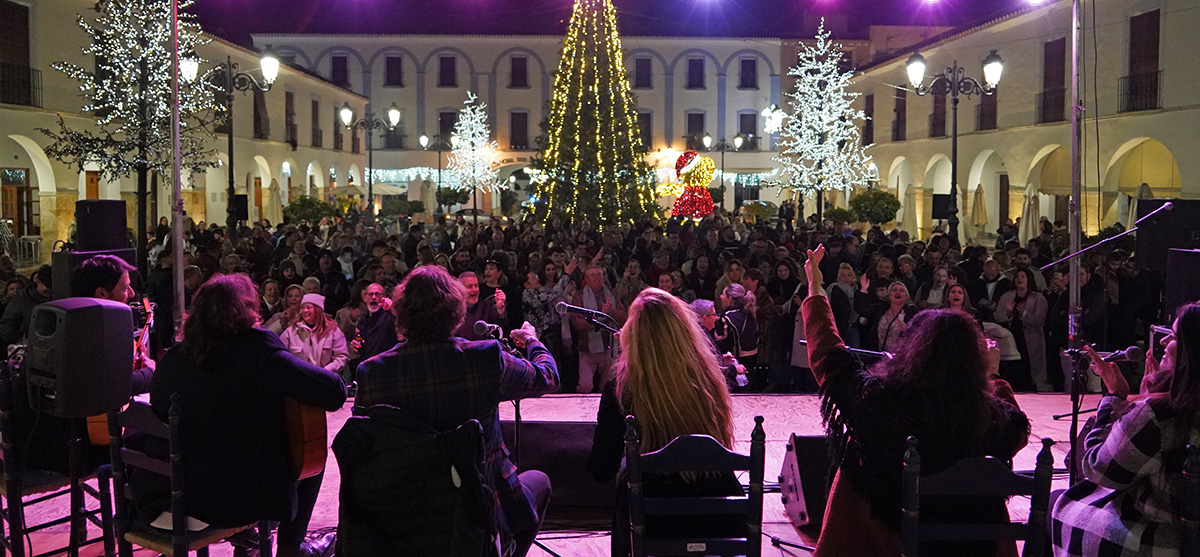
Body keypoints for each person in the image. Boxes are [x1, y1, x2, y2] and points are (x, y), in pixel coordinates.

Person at [799, 245, 1030, 556]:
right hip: (972, 547)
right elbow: (1014, 421)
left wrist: (815, 288)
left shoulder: (879, 401)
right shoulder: (991, 418)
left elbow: (829, 355)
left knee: (858, 462)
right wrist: (992, 377)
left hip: (886, 540)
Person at [354, 266, 558, 557]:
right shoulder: (484, 358)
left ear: (400, 312)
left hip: (406, 513)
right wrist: (532, 341)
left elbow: (365, 450)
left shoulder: (371, 373)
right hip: (476, 509)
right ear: (455, 312)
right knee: (538, 482)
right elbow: (548, 376)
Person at [139, 275, 346, 557]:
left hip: (161, 496)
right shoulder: (257, 347)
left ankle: (248, 544)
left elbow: (160, 407)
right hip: (225, 503)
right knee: (309, 452)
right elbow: (333, 392)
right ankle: (289, 549)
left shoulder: (175, 356)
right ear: (246, 311)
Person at [586, 288, 741, 557]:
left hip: (653, 522)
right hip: (717, 513)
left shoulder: (621, 390)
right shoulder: (711, 380)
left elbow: (601, 469)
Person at [1051, 303, 1200, 555]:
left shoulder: (1159, 416)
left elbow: (1099, 469)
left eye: (1174, 336)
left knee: (1058, 501)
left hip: (1161, 542)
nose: (1163, 341)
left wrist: (1114, 400)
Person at [570, 266, 627, 393]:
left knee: (607, 387)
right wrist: (598, 316)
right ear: (587, 279)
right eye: (593, 275)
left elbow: (624, 317)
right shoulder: (579, 296)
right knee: (585, 386)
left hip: (610, 348)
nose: (597, 278)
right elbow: (576, 323)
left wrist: (612, 312)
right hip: (587, 348)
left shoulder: (612, 294)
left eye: (599, 275)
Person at [994, 268, 1050, 392]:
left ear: (1028, 279)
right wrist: (1008, 313)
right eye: (1017, 276)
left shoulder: (1038, 298)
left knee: (1030, 365)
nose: (1019, 279)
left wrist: (1024, 314)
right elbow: (998, 316)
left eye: (1023, 276)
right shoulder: (1007, 295)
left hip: (1031, 337)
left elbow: (1039, 321)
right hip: (1013, 335)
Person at [280, 293, 350, 375]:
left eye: (309, 307)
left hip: (325, 380)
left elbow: (342, 357)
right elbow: (280, 354)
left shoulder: (333, 331)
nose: (305, 310)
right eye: (303, 308)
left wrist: (325, 371)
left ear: (318, 310)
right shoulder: (291, 332)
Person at [715, 283, 758, 389]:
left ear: (730, 299)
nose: (721, 296)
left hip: (734, 365)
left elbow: (720, 345)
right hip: (751, 362)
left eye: (723, 294)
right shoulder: (751, 315)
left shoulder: (726, 318)